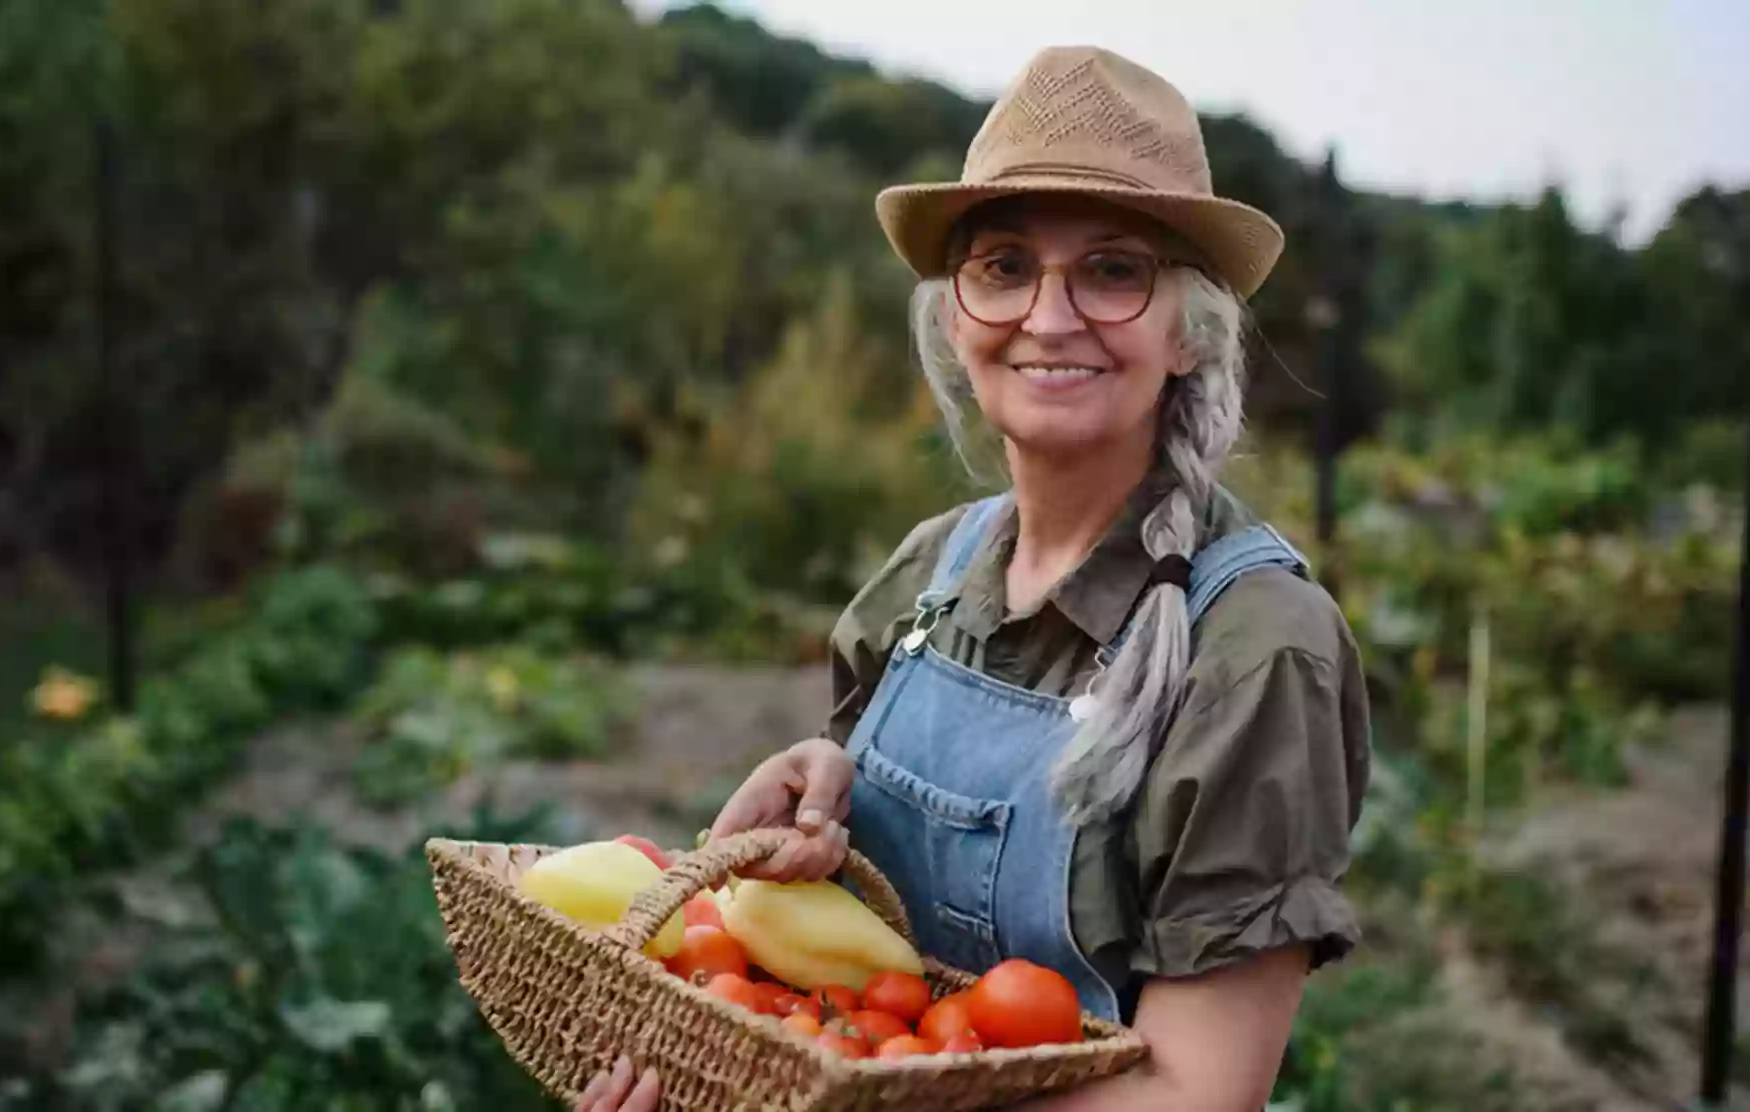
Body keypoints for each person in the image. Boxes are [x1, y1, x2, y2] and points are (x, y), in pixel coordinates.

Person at [575, 44, 1371, 1112]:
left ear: (1190, 332)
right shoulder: (930, 572)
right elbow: (868, 982)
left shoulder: (1255, 645)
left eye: (1113, 269)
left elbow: (1195, 1094)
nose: (1049, 315)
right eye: (1004, 265)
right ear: (956, 318)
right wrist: (819, 805)